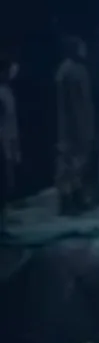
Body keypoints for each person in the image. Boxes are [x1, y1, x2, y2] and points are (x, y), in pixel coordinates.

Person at [55, 35, 95, 215]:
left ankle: (77, 196)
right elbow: (68, 104)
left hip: (82, 122)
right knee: (68, 165)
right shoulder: (66, 71)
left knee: (79, 164)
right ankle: (67, 200)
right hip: (71, 125)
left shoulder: (79, 69)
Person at [0, 55, 20, 238]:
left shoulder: (7, 91)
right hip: (2, 145)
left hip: (9, 143)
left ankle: (3, 224)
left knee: (7, 186)